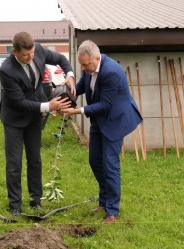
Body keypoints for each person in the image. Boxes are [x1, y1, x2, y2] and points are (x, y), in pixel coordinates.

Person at [61, 40, 142, 224]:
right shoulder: (89, 68)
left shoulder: (111, 72)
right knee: (95, 160)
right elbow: (81, 87)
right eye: (80, 64)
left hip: (114, 120)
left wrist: (77, 111)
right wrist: (67, 91)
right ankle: (103, 202)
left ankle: (111, 211)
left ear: (97, 58)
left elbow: (105, 105)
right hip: (99, 119)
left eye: (86, 64)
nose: (82, 68)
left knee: (110, 165)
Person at [0, 31, 75, 216]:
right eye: (26, 55)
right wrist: (49, 106)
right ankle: (15, 205)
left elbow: (61, 59)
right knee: (14, 163)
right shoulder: (6, 70)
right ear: (15, 51)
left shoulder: (39, 50)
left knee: (35, 159)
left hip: (35, 116)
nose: (30, 57)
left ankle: (36, 200)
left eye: (32, 53)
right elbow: (18, 102)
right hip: (15, 119)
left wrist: (70, 75)